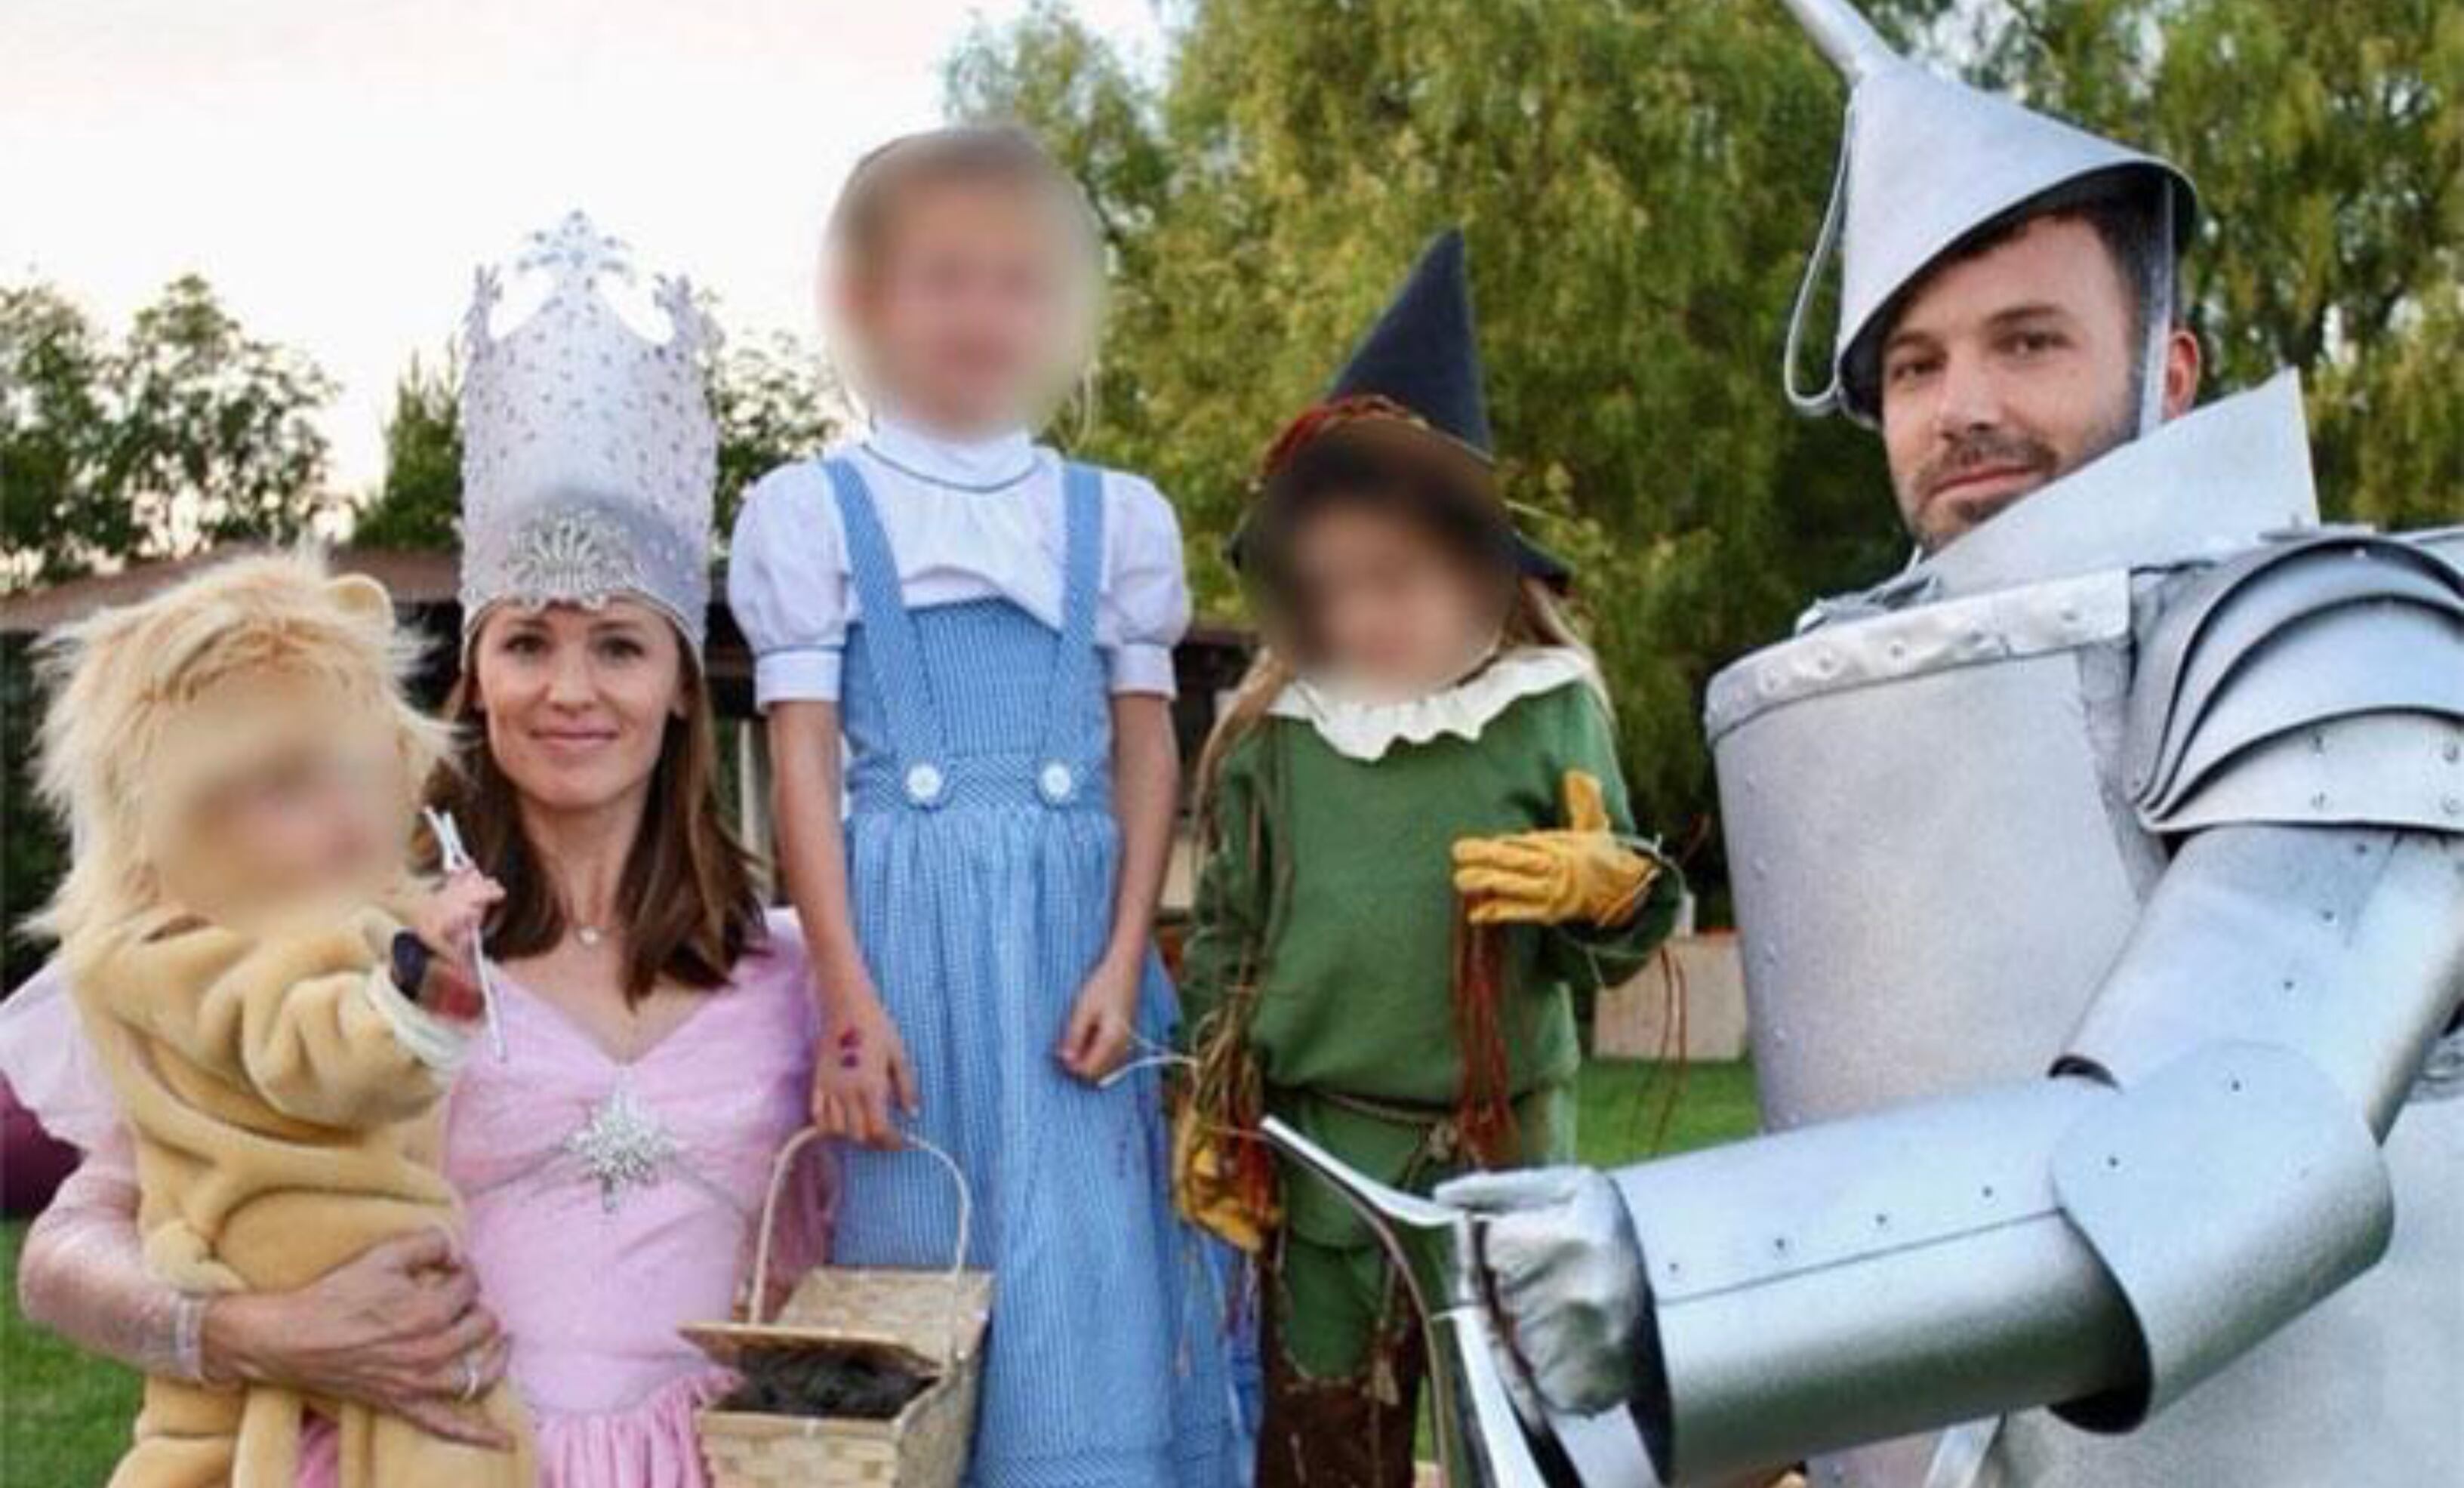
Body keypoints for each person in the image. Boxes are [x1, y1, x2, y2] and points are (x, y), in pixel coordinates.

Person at [1435, 2, 2464, 1486]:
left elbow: (2227, 1154)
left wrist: (1668, 1279)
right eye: (1914, 367)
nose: (1962, 408)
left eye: (2027, 342)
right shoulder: (1879, 687)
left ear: (2171, 372)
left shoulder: (2346, 642)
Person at [6, 213, 830, 1487]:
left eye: (618, 645)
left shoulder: (795, 970)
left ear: (680, 684)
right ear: (475, 676)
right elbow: (67, 1252)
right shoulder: (341, 938)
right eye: (527, 643)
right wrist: (256, 1332)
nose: (570, 690)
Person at [726, 127, 1240, 1486]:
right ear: (867, 300)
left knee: (1090, 1286)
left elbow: (1144, 751)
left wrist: (1124, 958)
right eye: (941, 278)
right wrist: (847, 998)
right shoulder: (818, 513)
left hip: (1074, 960)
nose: (978, 315)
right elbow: (803, 763)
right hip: (904, 957)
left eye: (1017, 284)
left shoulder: (1111, 518)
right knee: (919, 1267)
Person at [1175, 230, 1681, 1488]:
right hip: (1327, 1161)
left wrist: (1612, 887)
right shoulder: (1272, 741)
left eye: (1391, 577)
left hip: (1509, 1154)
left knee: (1527, 1429)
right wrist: (1209, 1100)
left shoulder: (1546, 708)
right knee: (1326, 1437)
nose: (1356, 615)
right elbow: (1228, 940)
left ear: (1480, 565)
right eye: (1328, 586)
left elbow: (1615, 933)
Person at [34, 553, 532, 1488]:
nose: (348, 817)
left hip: (327, 1280)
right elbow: (313, 1046)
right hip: (325, 1263)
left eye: (361, 775)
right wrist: (425, 985)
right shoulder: (215, 950)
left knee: (197, 1443)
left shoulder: (335, 915)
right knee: (457, 1435)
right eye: (288, 789)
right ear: (174, 814)